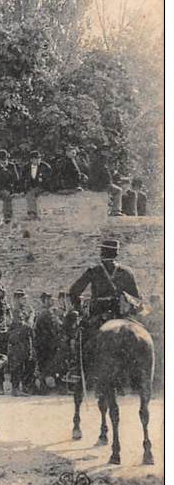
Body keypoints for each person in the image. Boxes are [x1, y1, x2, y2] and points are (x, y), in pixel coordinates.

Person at [66, 239, 142, 382]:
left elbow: (73, 291)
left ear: (102, 253)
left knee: (81, 338)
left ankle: (76, 370)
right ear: (116, 253)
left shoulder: (93, 271)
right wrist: (131, 311)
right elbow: (137, 298)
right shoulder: (127, 272)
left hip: (98, 317)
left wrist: (80, 310)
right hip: (120, 315)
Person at [0, 150, 20, 225]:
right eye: (1, 160)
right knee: (7, 195)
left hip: (9, 188)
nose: (3, 161)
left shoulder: (11, 166)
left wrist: (7, 171)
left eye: (4, 159)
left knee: (8, 194)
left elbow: (16, 178)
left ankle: (8, 215)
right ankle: (7, 216)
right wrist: (2, 171)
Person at [20, 151, 52, 219]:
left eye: (39, 158)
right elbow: (22, 180)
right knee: (30, 194)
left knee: (30, 194)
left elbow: (50, 180)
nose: (38, 160)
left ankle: (32, 214)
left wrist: (49, 190)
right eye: (36, 158)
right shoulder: (26, 167)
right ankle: (33, 214)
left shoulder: (45, 167)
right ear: (31, 159)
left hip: (42, 187)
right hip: (31, 187)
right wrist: (23, 190)